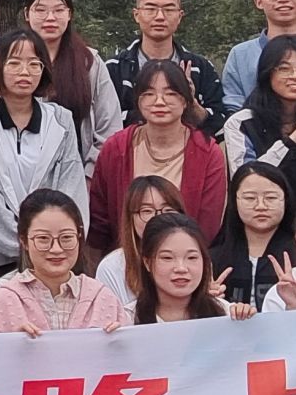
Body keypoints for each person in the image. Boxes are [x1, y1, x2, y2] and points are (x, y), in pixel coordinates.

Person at [0, 29, 86, 274]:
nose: (25, 71)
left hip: (56, 251)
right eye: (14, 63)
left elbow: (72, 187)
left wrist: (53, 240)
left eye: (34, 64)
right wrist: (25, 244)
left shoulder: (61, 121)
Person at [88, 59, 225, 256]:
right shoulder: (116, 148)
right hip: (125, 258)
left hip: (184, 260)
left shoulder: (208, 153)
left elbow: (208, 224)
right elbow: (100, 217)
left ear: (186, 100)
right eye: (149, 93)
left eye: (171, 93)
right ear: (138, 100)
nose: (159, 101)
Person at [0, 191, 126, 335]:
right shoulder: (2, 301)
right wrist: (11, 344)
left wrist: (120, 339)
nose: (56, 249)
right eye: (43, 238)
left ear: (79, 236)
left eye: (66, 237)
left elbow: (130, 349)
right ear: (24, 241)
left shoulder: (102, 298)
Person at [221, 33, 296, 211]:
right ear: (267, 73)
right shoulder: (242, 123)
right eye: (284, 69)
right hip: (258, 218)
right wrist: (290, 143)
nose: (295, 76)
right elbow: (245, 182)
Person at [18, 0, 124, 169]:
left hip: (79, 172)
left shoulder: (89, 62)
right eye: (40, 10)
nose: (50, 18)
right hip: (21, 173)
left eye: (59, 10)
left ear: (69, 14)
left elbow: (109, 126)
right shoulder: (10, 60)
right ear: (27, 14)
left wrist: (89, 175)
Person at [106, 0, 226, 135]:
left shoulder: (200, 68)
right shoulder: (114, 69)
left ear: (180, 16)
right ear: (136, 15)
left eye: (169, 10)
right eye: (151, 9)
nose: (160, 17)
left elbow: (219, 124)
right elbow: (105, 122)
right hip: (128, 149)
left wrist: (190, 102)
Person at [213, 162, 296, 309]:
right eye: (250, 198)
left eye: (271, 198)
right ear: (234, 201)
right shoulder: (213, 258)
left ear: (286, 200)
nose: (261, 206)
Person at [92, 175, 184, 301]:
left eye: (168, 210)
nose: (157, 218)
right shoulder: (112, 267)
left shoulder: (195, 260)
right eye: (147, 211)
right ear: (131, 218)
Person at [133, 213, 234, 323]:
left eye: (191, 257)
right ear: (147, 263)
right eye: (167, 257)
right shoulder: (128, 318)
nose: (181, 268)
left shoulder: (227, 313)